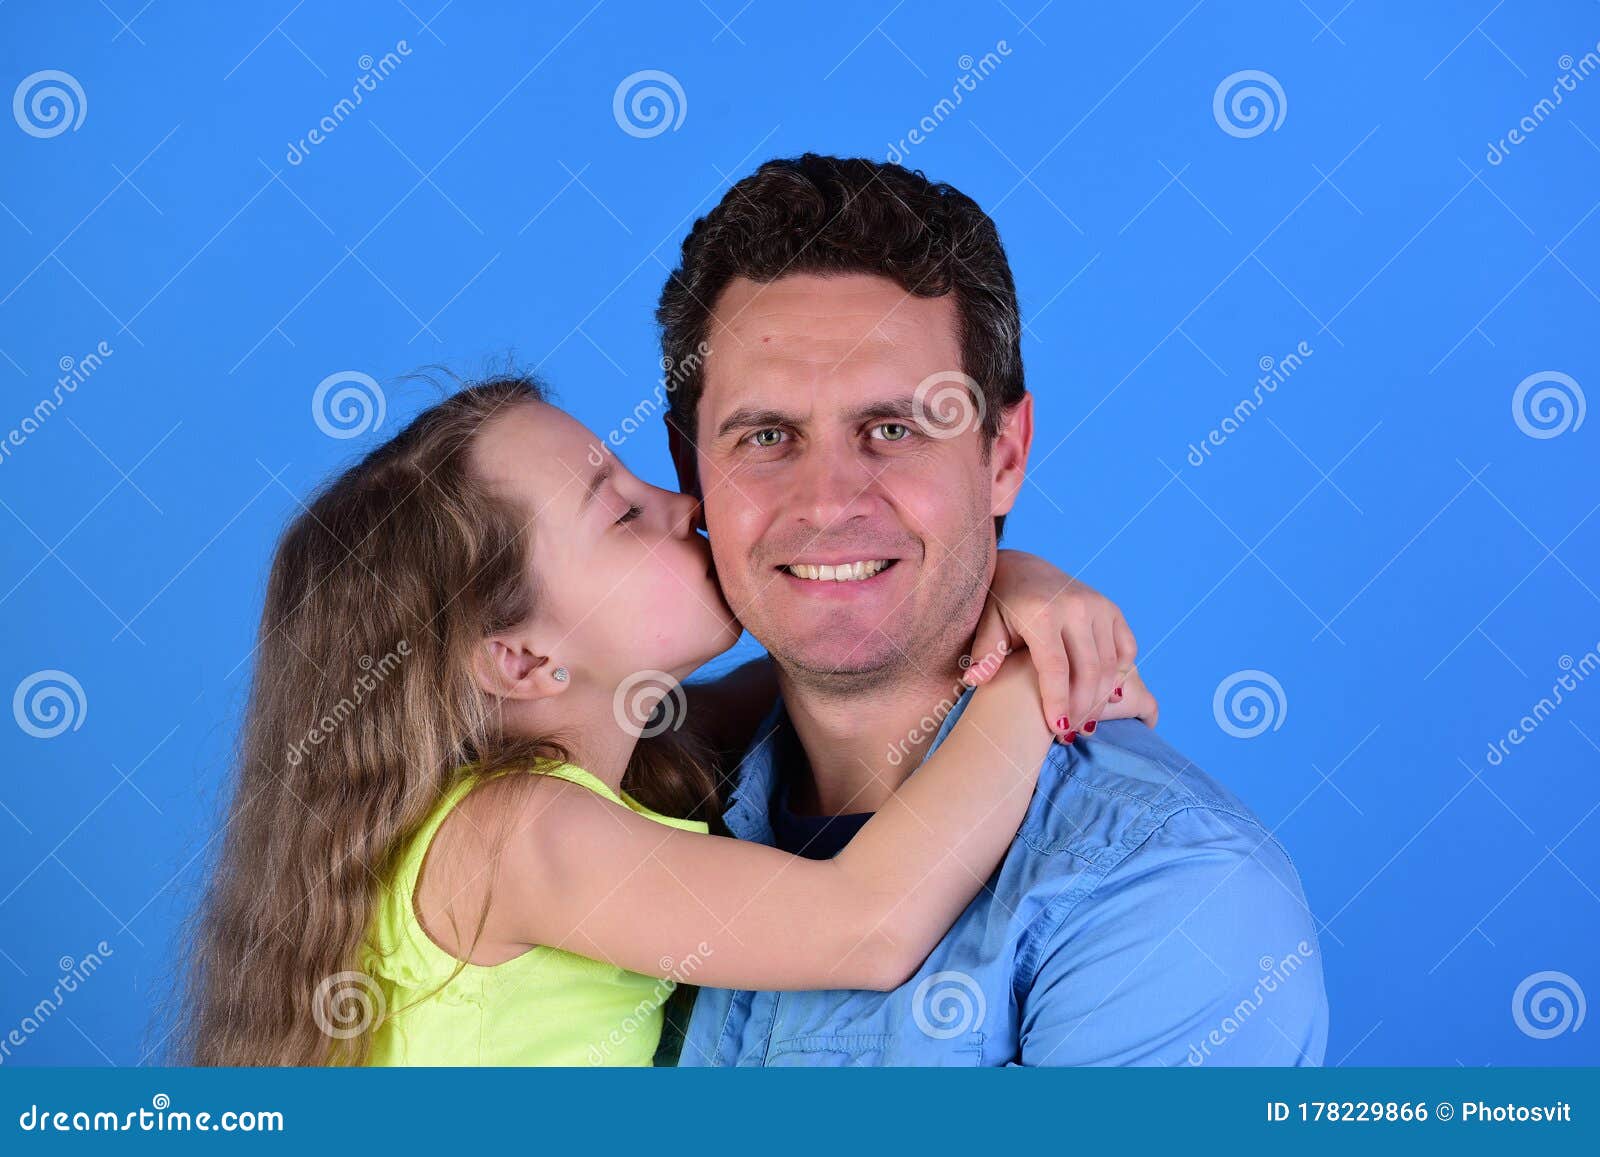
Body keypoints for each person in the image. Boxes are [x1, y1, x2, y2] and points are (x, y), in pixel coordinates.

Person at [181, 375, 1156, 1066]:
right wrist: (1036, 683)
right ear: (522, 658)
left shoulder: (611, 762)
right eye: (621, 515)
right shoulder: (515, 837)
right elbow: (868, 923)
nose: (682, 500)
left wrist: (1011, 577)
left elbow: (851, 643)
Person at [657, 154, 1329, 1066]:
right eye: (767, 437)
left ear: (1003, 454)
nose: (827, 502)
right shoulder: (630, 805)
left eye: (892, 430)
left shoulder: (1173, 894)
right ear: (692, 469)